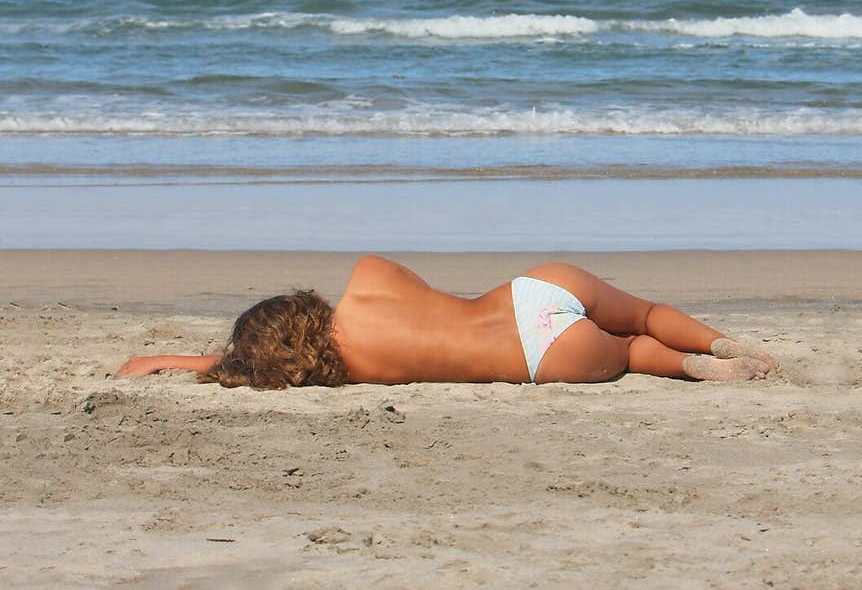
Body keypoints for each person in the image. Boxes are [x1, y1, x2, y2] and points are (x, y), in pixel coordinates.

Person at [116, 255, 776, 388]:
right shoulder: (368, 278)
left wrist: (196, 362)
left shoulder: (341, 370)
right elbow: (421, 288)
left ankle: (696, 368)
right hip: (524, 293)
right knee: (648, 314)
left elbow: (138, 368)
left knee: (629, 350)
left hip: (541, 355)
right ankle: (718, 341)